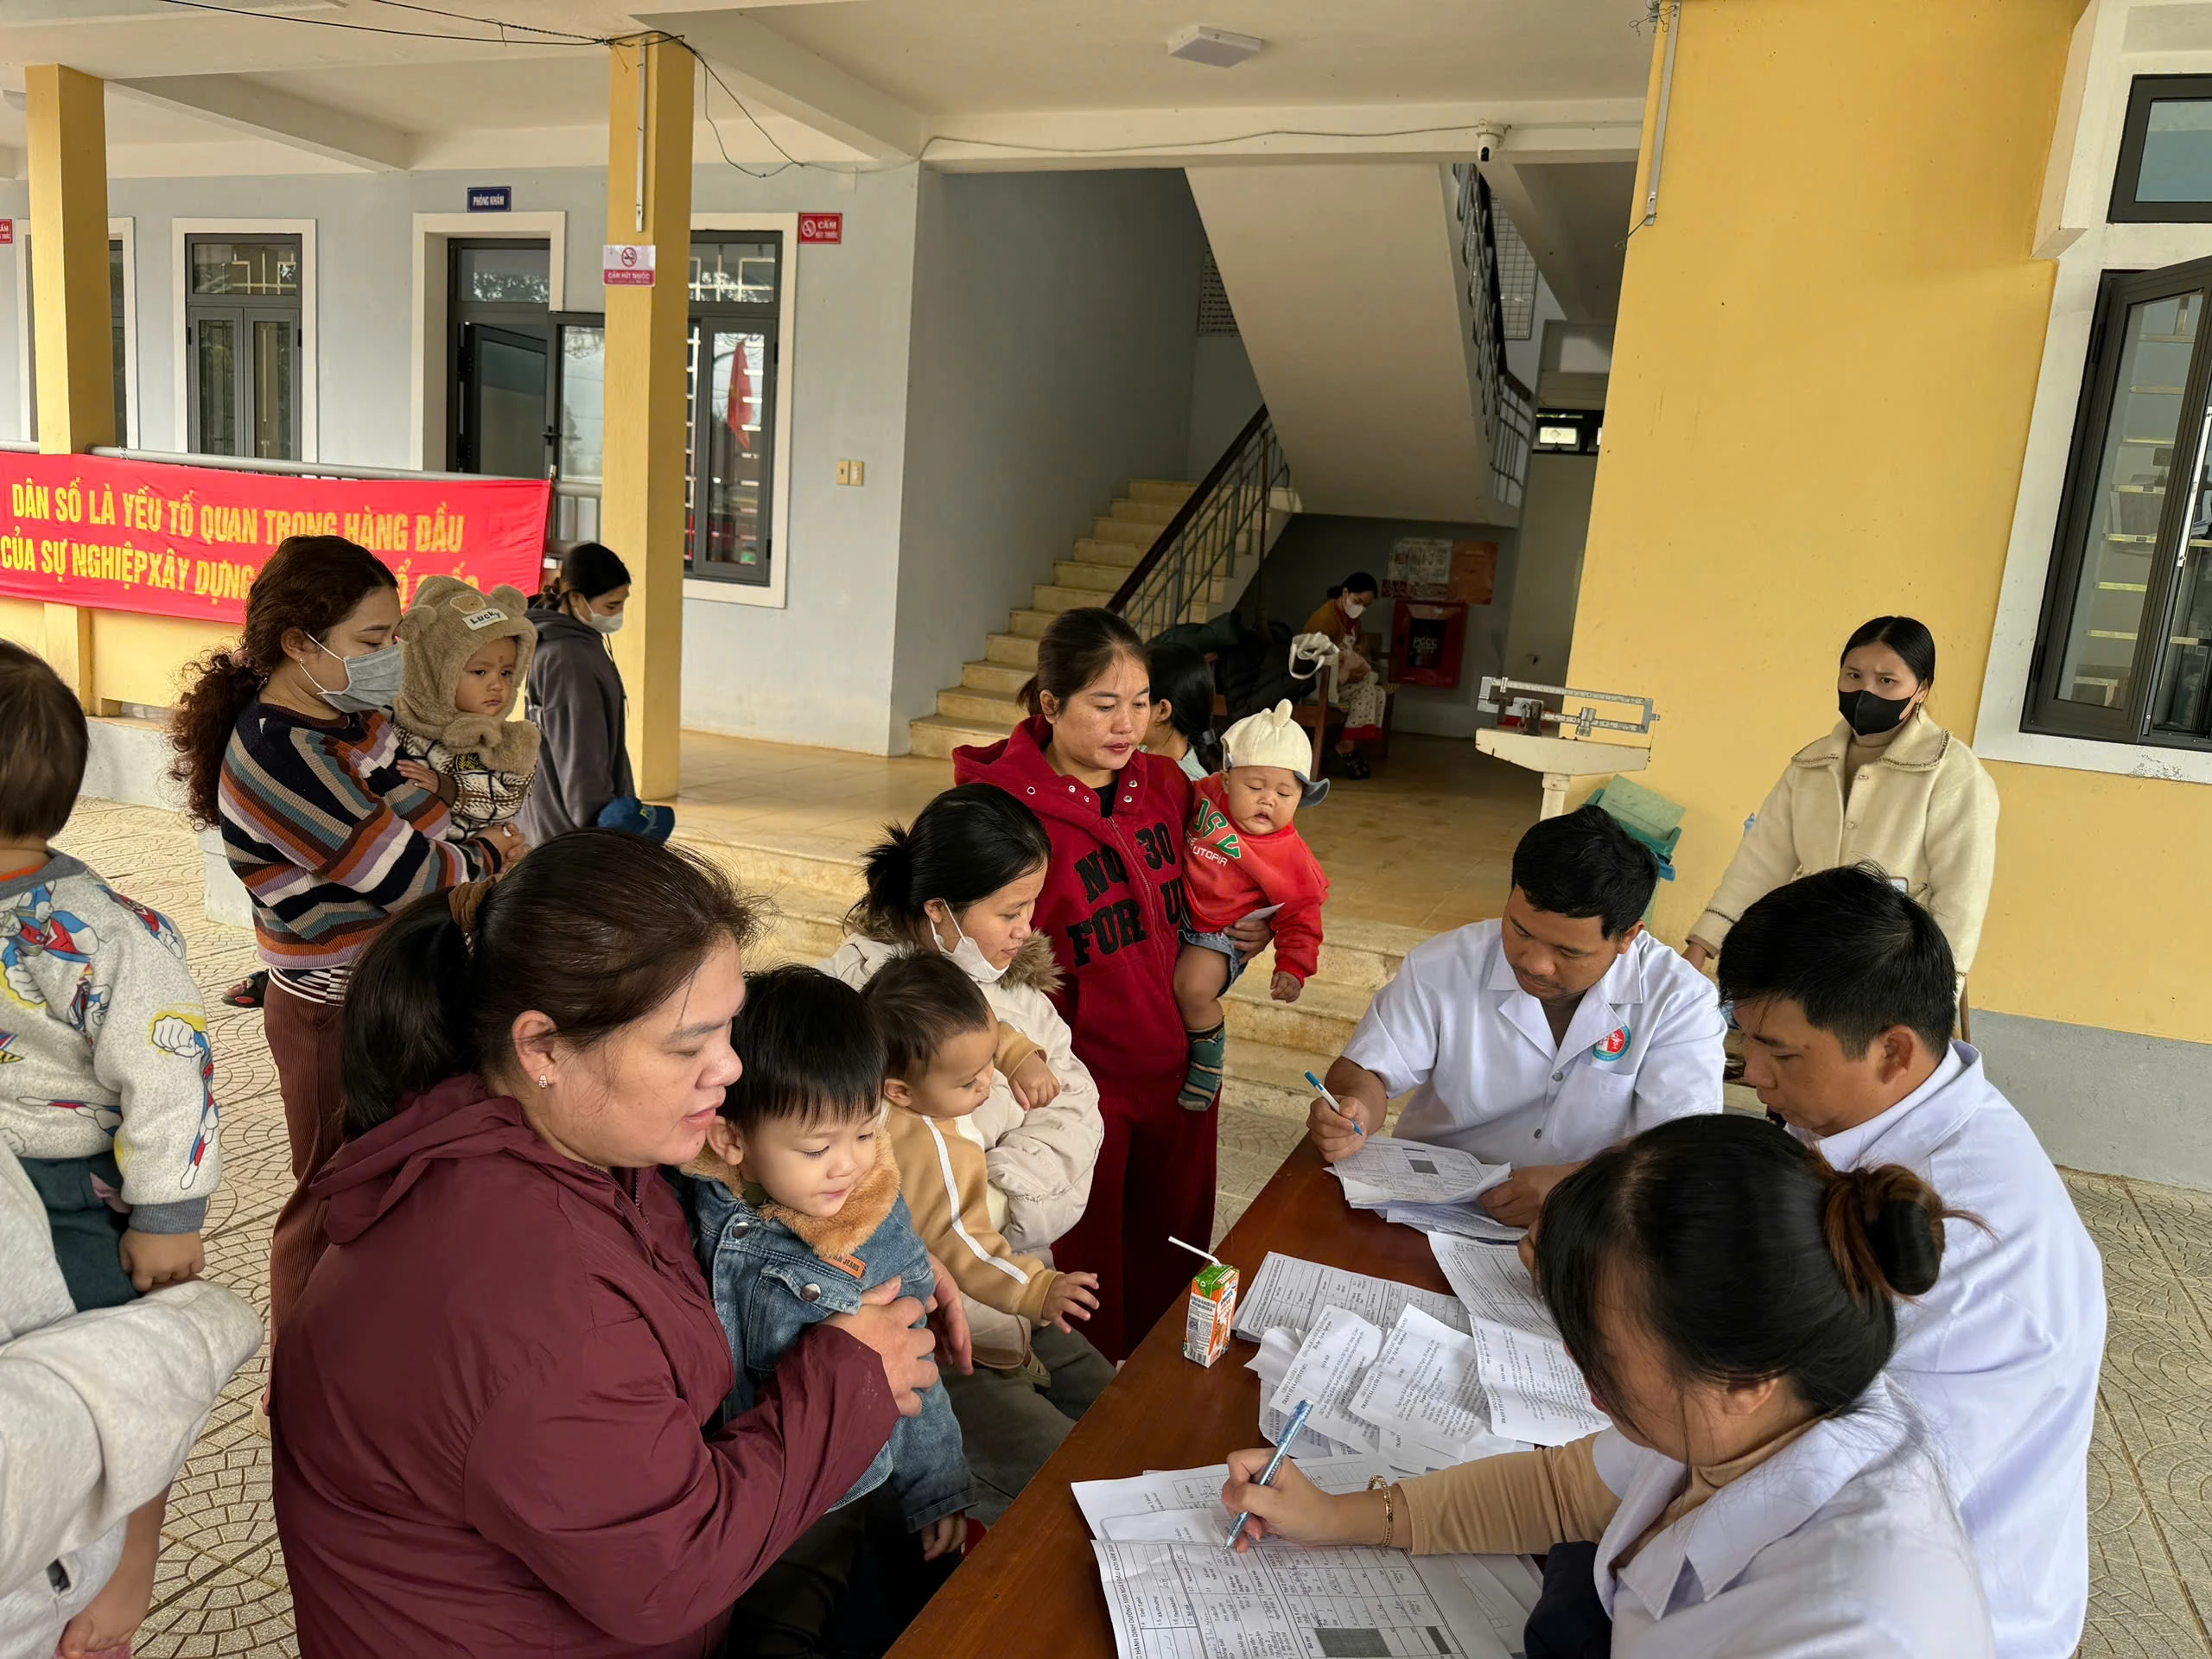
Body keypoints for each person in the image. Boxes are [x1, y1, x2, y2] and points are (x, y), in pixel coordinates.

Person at [270, 833, 950, 1657]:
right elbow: (670, 1572)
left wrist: (869, 1245)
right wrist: (853, 1375)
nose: (731, 1068)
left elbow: (720, 1210)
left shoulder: (559, 1134)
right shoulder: (534, 1311)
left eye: (729, 1028)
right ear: (543, 1048)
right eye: (689, 1044)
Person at [1217, 1113, 1997, 1657]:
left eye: (1603, 1354)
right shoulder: (1757, 1406)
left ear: (1744, 1379)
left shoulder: (1851, 1629)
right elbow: (1565, 1492)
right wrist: (1338, 1515)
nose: (1581, 1374)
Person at [1719, 867, 2106, 1659]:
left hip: (1927, 1616)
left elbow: (1833, 1477)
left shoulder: (1972, 1254)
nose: (1752, 1073)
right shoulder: (1867, 1115)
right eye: (1744, 1038)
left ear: (1893, 1050)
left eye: (1778, 1050)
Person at [168, 536, 517, 1338]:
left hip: (390, 985)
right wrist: (491, 855)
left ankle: (370, 1360)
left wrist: (455, 832)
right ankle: (298, 1378)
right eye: (372, 640)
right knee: (330, 1197)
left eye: (393, 635)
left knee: (392, 1186)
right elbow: (411, 874)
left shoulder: (351, 719)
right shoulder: (280, 755)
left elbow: (427, 814)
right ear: (300, 644)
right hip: (332, 1009)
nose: (392, 655)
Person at [954, 607, 1271, 1360]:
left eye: (1141, 702)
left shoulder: (1166, 786)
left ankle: (1161, 1384)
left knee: (1172, 1249)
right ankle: (1090, 1405)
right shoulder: (999, 813)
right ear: (1051, 703)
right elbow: (971, 950)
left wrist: (1238, 937)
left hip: (1180, 1067)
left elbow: (1215, 890)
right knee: (1085, 1265)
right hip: (1076, 1079)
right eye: (1104, 704)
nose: (1128, 724)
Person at [827, 785, 1113, 1522]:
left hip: (1017, 1278)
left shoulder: (1009, 994)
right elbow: (887, 1205)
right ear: (940, 911)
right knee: (1065, 1495)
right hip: (937, 1321)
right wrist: (967, 1212)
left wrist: (996, 1197)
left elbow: (1075, 1108)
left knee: (1130, 1424)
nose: (1027, 929)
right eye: (1010, 911)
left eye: (1031, 907)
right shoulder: (863, 1010)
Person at [684, 963, 972, 1649]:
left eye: (867, 1134)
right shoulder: (691, 1187)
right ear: (730, 1140)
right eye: (818, 1148)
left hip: (834, 1489)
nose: (850, 1165)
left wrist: (938, 1487)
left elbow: (917, 1367)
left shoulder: (870, 1223)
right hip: (721, 1477)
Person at [1307, 805, 1724, 1226]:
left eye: (1568, 951)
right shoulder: (1446, 963)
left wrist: (1574, 1186)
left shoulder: (1679, 1001)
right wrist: (1354, 1107)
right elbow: (1368, 1068)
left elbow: (1681, 1149)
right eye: (1521, 930)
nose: (1535, 964)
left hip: (1589, 1223)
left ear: (1628, 936)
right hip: (1433, 1205)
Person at [1, 643, 221, 1313]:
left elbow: (169, 1073)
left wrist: (167, 1216)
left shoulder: (103, 936)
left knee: (78, 1343)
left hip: (62, 1193)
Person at [1, 1143, 262, 1659]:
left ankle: (135, 1540)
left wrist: (169, 1217)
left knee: (112, 1305)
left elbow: (171, 1082)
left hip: (60, 1177)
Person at [1686, 615, 1999, 984]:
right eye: (1853, 675)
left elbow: (1962, 897)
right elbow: (1761, 861)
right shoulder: (1811, 764)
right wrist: (1701, 947)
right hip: (1808, 960)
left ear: (1922, 689)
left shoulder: (1952, 772)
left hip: (1895, 973)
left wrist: (1939, 990)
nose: (1866, 691)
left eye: (1887, 680)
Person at [868, 952, 1103, 1370]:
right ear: (900, 1092)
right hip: (964, 1327)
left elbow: (986, 1032)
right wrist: (1036, 1289)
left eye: (989, 1062)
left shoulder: (886, 1052)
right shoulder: (935, 1152)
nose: (987, 1083)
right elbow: (963, 1241)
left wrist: (1017, 1056)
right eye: (968, 1082)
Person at [1174, 700, 1331, 1111]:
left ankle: (1208, 1060)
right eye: (1255, 787)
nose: (1267, 801)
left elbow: (1302, 918)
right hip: (1176, 912)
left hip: (1220, 934)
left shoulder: (1293, 860)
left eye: (1284, 792)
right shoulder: (1205, 795)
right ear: (1226, 781)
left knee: (1192, 987)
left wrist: (1293, 966)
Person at [520, 542, 672, 844]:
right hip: (572, 835)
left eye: (622, 604)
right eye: (611, 606)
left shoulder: (571, 642)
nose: (618, 615)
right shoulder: (569, 659)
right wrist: (602, 834)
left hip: (557, 826)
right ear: (576, 598)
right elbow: (580, 759)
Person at [390, 576, 540, 837]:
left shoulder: (514, 742)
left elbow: (509, 802)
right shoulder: (394, 729)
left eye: (506, 673)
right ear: (432, 673)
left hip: (481, 858)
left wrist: (448, 788)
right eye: (480, 672)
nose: (497, 685)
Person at [1302, 570, 1385, 779]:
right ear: (1346, 592)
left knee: (1378, 693)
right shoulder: (1325, 619)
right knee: (1367, 691)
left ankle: (1350, 745)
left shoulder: (1350, 619)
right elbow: (1314, 661)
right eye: (1358, 602)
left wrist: (1357, 655)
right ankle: (1345, 747)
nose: (1361, 609)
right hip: (1318, 684)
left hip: (1339, 679)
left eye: (1366, 606)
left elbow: (1361, 640)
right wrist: (1341, 685)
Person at [1141, 640, 1221, 782]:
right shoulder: (1139, 754)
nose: (1123, 715)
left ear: (1162, 710)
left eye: (1136, 704)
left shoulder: (1187, 784)